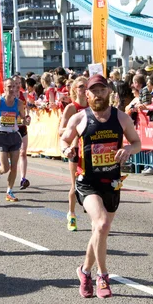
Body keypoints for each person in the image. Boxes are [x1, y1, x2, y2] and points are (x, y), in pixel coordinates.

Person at [60, 74, 141, 299]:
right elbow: (64, 140)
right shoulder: (79, 118)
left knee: (100, 231)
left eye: (102, 90)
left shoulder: (122, 118)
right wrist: (66, 150)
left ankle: (84, 271)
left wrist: (128, 150)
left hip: (112, 181)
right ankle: (102, 276)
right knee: (102, 223)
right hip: (87, 181)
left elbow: (137, 143)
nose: (98, 94)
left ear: (109, 92)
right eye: (93, 91)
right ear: (87, 94)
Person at [0, 78, 27, 202]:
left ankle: (9, 191)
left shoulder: (19, 103)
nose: (13, 89)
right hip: (1, 137)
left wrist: (26, 120)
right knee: (5, 168)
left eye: (14, 86)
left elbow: (23, 119)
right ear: (4, 88)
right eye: (9, 87)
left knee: (14, 167)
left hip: (14, 136)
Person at [58, 76, 88, 232]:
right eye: (81, 86)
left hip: (91, 150)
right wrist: (75, 128)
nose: (85, 89)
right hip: (76, 150)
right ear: (75, 89)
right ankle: (71, 214)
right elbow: (60, 130)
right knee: (75, 185)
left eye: (87, 86)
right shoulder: (71, 107)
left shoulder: (93, 106)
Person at [13, 75, 31, 190]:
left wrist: (28, 117)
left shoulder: (24, 95)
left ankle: (23, 179)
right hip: (11, 128)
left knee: (23, 153)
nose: (18, 85)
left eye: (19, 83)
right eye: (15, 83)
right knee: (11, 156)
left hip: (22, 127)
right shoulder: (7, 97)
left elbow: (27, 109)